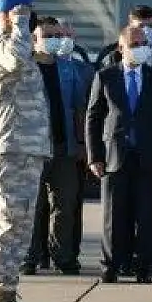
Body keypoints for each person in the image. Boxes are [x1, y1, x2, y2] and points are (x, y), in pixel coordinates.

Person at [0, 0, 50, 302]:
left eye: (29, 11)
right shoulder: (0, 48)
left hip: (28, 148)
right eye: (22, 10)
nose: (29, 17)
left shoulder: (19, 46)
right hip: (11, 148)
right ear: (7, 14)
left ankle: (9, 295)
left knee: (21, 227)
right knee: (8, 224)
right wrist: (18, 26)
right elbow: (18, 57)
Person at [86, 24, 152, 284]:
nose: (140, 48)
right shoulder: (105, 76)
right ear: (121, 48)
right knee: (114, 215)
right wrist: (95, 156)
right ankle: (112, 264)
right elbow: (93, 117)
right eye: (134, 44)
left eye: (143, 44)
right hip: (115, 156)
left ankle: (143, 266)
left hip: (147, 157)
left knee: (146, 214)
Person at [24, 19, 93, 276]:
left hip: (65, 149)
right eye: (47, 35)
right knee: (33, 205)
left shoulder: (68, 69)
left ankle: (62, 255)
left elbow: (79, 109)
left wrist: (83, 145)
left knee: (64, 204)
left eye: (56, 35)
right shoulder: (26, 67)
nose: (52, 40)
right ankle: (30, 255)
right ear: (35, 39)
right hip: (33, 148)